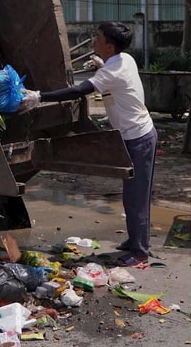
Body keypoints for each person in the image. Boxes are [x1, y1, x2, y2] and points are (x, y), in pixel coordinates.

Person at [21, 22, 157, 266]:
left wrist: (40, 96)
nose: (94, 40)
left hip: (138, 137)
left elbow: (78, 91)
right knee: (132, 194)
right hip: (135, 134)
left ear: (109, 45)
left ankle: (139, 253)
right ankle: (135, 239)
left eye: (98, 37)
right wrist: (102, 65)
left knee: (137, 196)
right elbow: (112, 78)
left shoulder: (111, 73)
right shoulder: (124, 59)